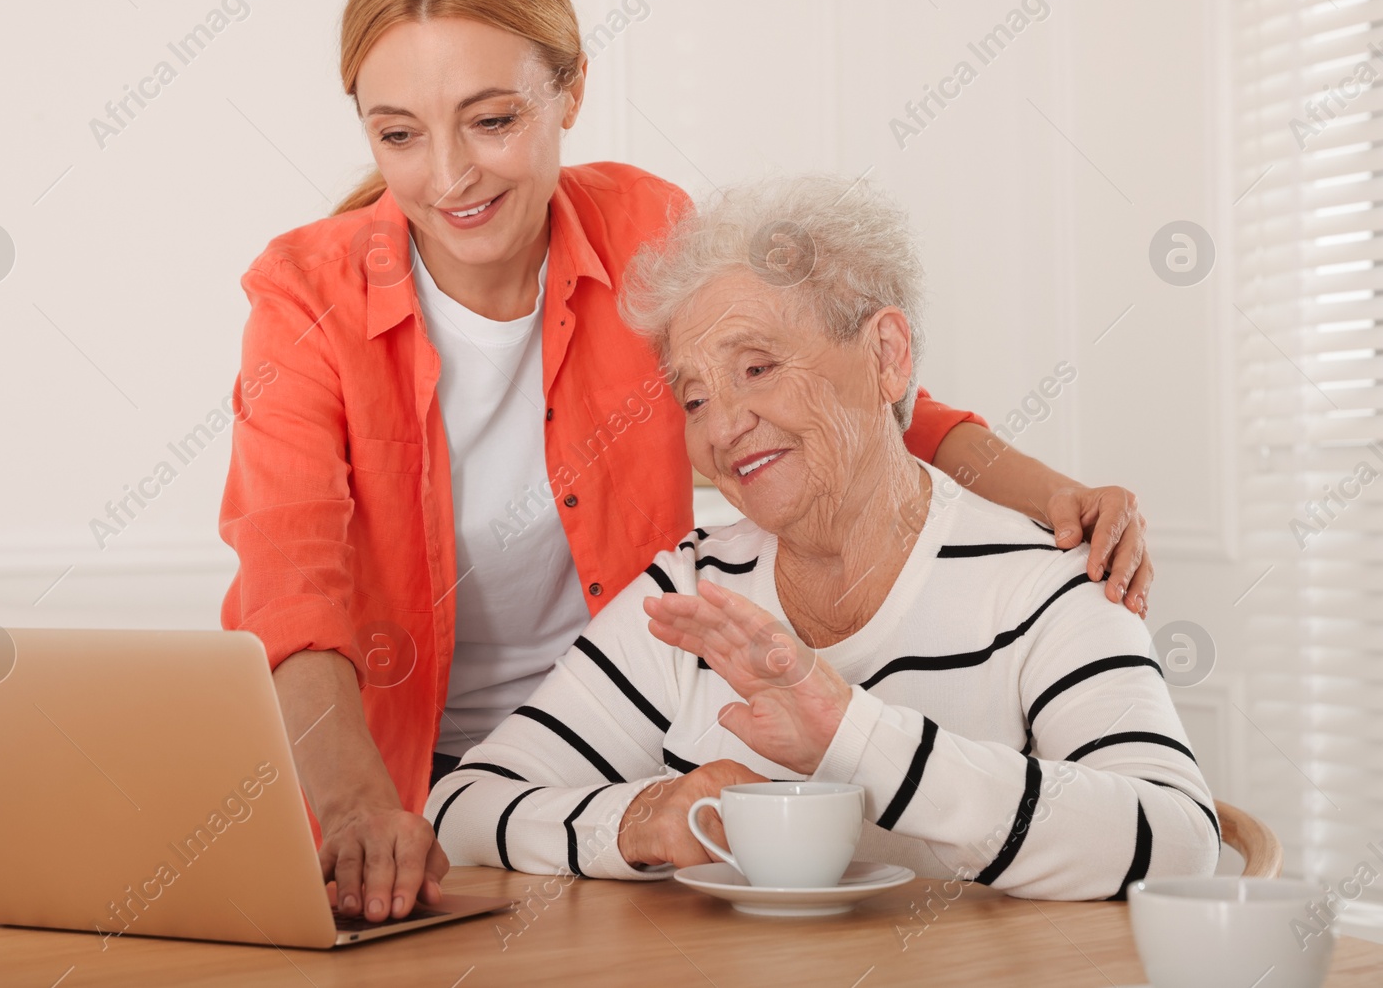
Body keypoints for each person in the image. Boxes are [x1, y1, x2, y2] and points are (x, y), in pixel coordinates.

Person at [217, 0, 1155, 923]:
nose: (447, 178)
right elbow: (289, 576)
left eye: (490, 120)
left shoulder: (640, 227)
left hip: (609, 746)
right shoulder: (304, 293)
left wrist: (1050, 495)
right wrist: (358, 798)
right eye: (398, 134)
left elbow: (830, 383)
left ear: (570, 90)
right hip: (383, 765)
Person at [425, 176, 1217, 899]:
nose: (725, 426)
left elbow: (1178, 842)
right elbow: (461, 807)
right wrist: (637, 820)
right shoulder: (692, 593)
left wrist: (853, 735)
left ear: (885, 356)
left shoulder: (1049, 583)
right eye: (694, 399)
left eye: (759, 368)